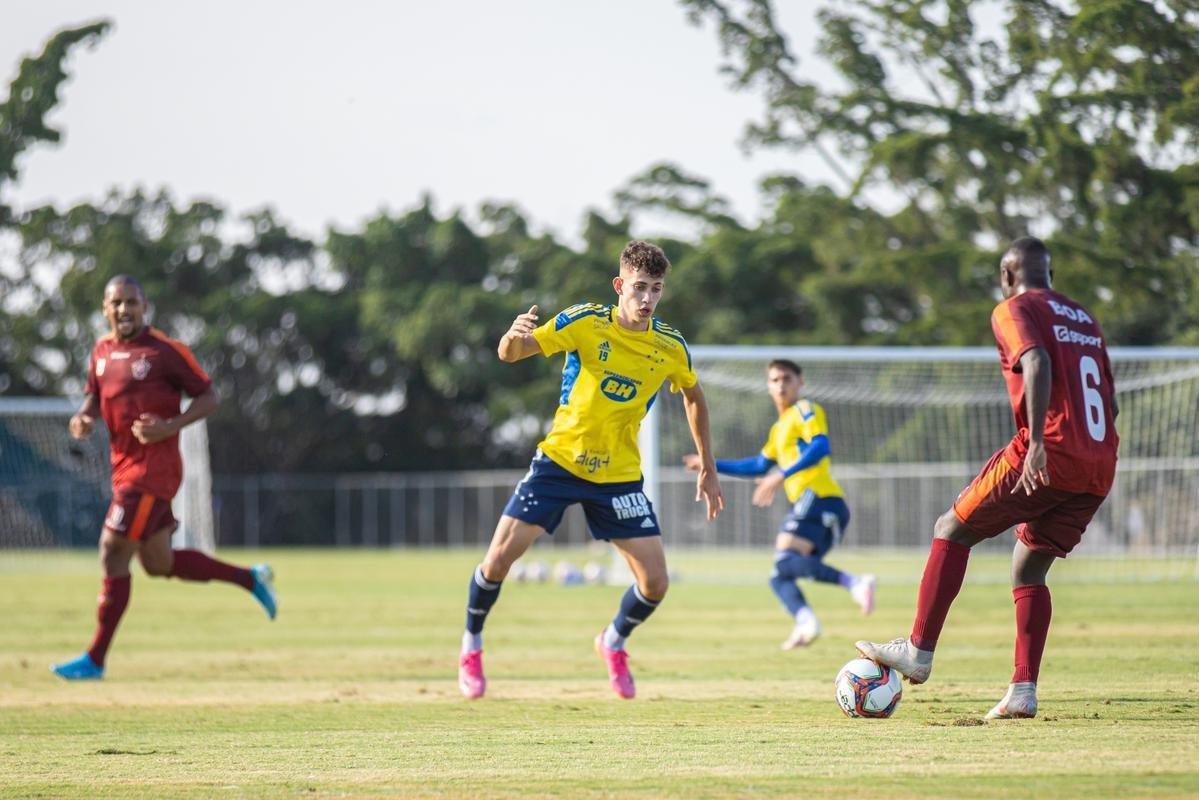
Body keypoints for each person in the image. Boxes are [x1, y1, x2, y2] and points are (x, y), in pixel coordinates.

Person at [856, 237, 1119, 719]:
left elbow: (1035, 360)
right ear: (1051, 276)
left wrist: (1038, 440)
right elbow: (1109, 396)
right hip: (1100, 462)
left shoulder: (1013, 308)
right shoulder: (1084, 318)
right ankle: (1023, 691)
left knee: (951, 529)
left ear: (1006, 276)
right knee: (1028, 567)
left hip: (1049, 449)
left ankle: (918, 651)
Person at [458, 240, 724, 700]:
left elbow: (693, 396)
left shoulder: (669, 346)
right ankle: (471, 646)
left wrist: (709, 467)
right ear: (620, 285)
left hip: (618, 475)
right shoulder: (584, 321)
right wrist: (511, 335)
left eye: (656, 290)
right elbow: (513, 353)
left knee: (656, 583)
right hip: (559, 463)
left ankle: (613, 641)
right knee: (498, 561)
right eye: (639, 287)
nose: (647, 299)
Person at [51, 276, 277, 680]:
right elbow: (93, 396)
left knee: (112, 551)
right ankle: (251, 578)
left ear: (145, 305)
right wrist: (84, 418)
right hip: (123, 469)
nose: (124, 310)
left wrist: (170, 426)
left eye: (131, 302)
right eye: (116, 303)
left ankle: (95, 659)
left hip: (153, 472)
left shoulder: (164, 352)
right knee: (158, 563)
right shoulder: (101, 352)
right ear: (105, 309)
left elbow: (209, 396)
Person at [684, 359, 875, 650]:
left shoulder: (805, 410)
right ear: (768, 386)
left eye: (787, 378)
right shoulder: (779, 428)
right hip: (815, 505)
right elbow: (759, 465)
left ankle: (855, 583)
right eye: (774, 380)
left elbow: (821, 446)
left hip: (819, 497)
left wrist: (781, 475)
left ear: (801, 382)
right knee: (780, 575)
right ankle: (806, 621)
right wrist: (710, 464)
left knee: (783, 562)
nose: (781, 384)